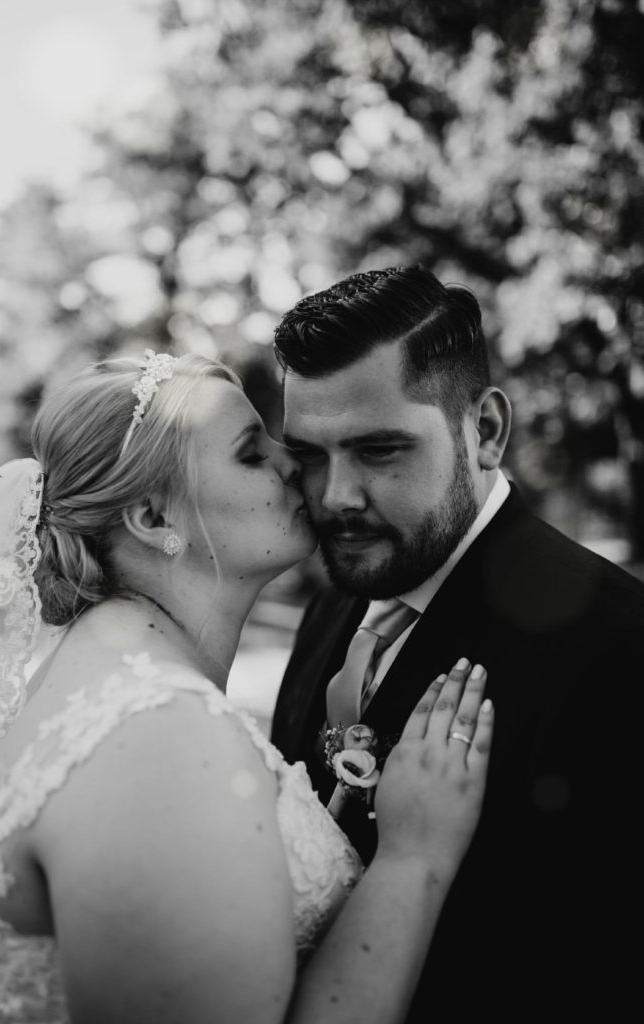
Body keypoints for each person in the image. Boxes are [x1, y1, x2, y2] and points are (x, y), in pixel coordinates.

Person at [0, 349, 494, 1023]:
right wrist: (412, 859)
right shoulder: (162, 742)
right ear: (154, 520)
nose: (291, 460)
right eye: (250, 452)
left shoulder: (93, 677)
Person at [271, 265, 644, 1021]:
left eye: (379, 450)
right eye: (310, 455)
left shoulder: (620, 649)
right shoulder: (333, 605)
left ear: (484, 432)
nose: (336, 496)